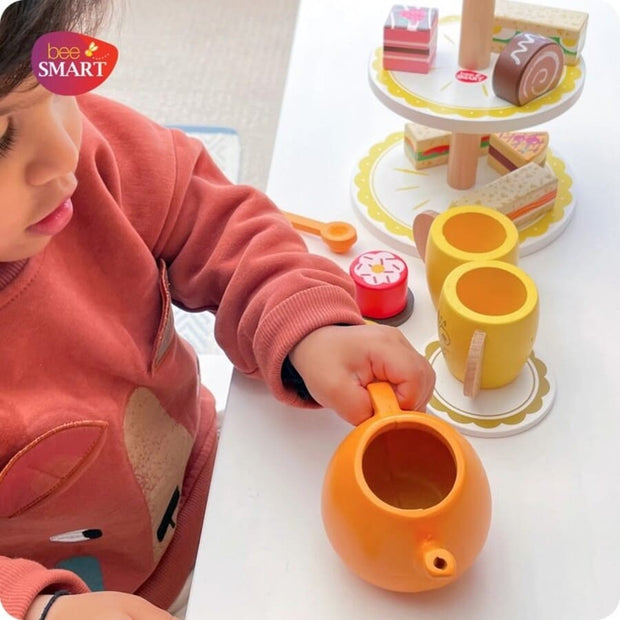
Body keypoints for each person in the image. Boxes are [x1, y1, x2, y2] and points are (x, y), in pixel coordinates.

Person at [0, 1, 435, 619]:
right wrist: (36, 609)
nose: (62, 155)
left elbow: (210, 218)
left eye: (57, 86)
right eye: (0, 135)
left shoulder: (89, 153)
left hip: (214, 466)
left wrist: (304, 320)